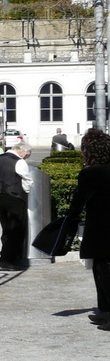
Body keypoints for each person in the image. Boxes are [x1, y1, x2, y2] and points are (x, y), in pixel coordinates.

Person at [65, 129, 110, 330]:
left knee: (103, 270)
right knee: (102, 269)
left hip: (102, 227)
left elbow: (79, 200)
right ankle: (105, 312)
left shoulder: (91, 173)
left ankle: (107, 312)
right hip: (103, 227)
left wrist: (70, 218)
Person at [0, 141, 33, 270]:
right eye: (27, 156)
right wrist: (24, 193)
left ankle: (7, 259)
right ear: (24, 153)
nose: (26, 158)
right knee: (17, 229)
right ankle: (7, 260)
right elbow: (27, 182)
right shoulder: (20, 162)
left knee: (6, 228)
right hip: (14, 197)